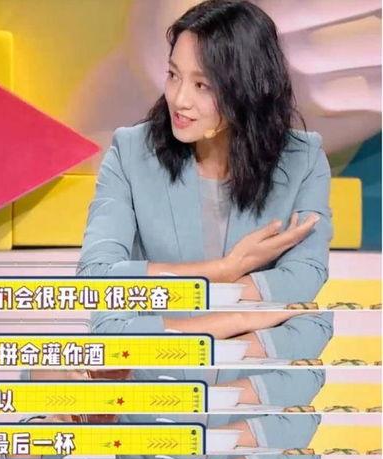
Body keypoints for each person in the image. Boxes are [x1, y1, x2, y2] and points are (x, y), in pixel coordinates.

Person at [77, 0, 333, 359]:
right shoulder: (131, 152)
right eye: (173, 75)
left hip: (209, 360)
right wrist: (225, 274)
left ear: (248, 87)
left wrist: (190, 317)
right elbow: (97, 277)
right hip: (163, 367)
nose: (179, 99)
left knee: (310, 324)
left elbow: (304, 277)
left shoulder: (302, 158)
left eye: (202, 85)